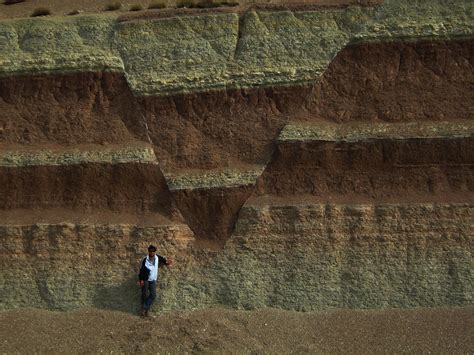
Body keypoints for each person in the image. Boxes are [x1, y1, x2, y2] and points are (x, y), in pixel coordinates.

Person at [138, 244, 172, 317]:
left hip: (153, 280)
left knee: (153, 295)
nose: (152, 253)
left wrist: (167, 263)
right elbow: (141, 270)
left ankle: (144, 308)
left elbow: (164, 261)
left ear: (155, 252)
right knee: (144, 294)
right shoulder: (145, 259)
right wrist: (141, 279)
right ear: (148, 251)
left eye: (153, 251)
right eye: (150, 251)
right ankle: (145, 311)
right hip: (146, 279)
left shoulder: (157, 258)